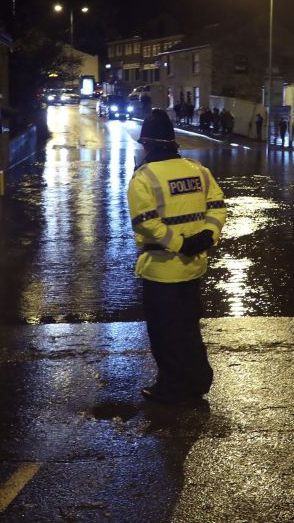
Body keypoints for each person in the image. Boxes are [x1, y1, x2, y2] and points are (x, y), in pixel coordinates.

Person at [127, 109, 228, 404]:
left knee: (165, 334)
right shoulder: (198, 170)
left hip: (162, 270)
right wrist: (206, 237)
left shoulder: (143, 177)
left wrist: (178, 244)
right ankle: (197, 381)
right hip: (195, 268)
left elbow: (145, 222)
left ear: (147, 144)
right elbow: (218, 207)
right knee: (188, 329)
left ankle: (173, 389)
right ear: (173, 142)